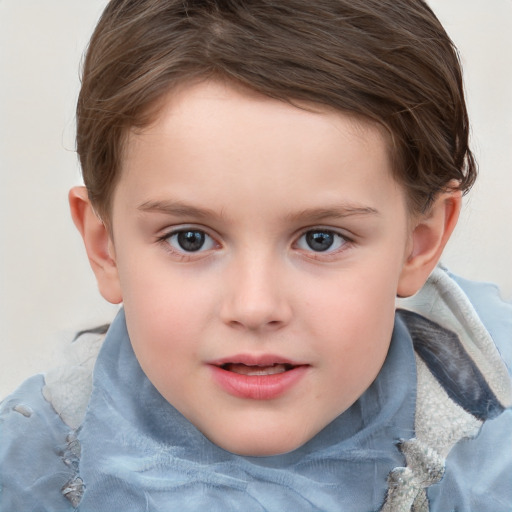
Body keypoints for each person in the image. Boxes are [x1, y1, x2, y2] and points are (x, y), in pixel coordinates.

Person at [1, 0, 511, 510]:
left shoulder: (490, 455)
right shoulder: (30, 473)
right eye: (190, 239)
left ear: (418, 242)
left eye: (320, 239)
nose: (254, 306)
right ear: (105, 246)